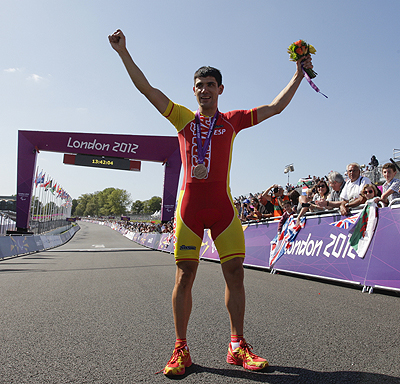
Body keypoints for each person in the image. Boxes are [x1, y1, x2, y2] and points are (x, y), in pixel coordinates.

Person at [109, 29, 313, 376]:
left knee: (235, 274)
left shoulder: (231, 121)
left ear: (220, 89)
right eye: (199, 85)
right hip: (189, 209)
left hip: (222, 209)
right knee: (185, 276)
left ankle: (237, 346)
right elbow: (146, 89)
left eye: (210, 84)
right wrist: (123, 52)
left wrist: (298, 74)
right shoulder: (182, 119)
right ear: (193, 90)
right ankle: (181, 349)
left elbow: (275, 108)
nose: (204, 90)